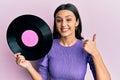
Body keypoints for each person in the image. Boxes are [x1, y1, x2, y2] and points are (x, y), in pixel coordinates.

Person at [14, 3, 111, 80]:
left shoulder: (86, 48)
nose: (63, 24)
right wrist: (28, 66)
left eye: (68, 19)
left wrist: (96, 53)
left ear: (76, 22)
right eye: (59, 20)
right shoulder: (48, 47)